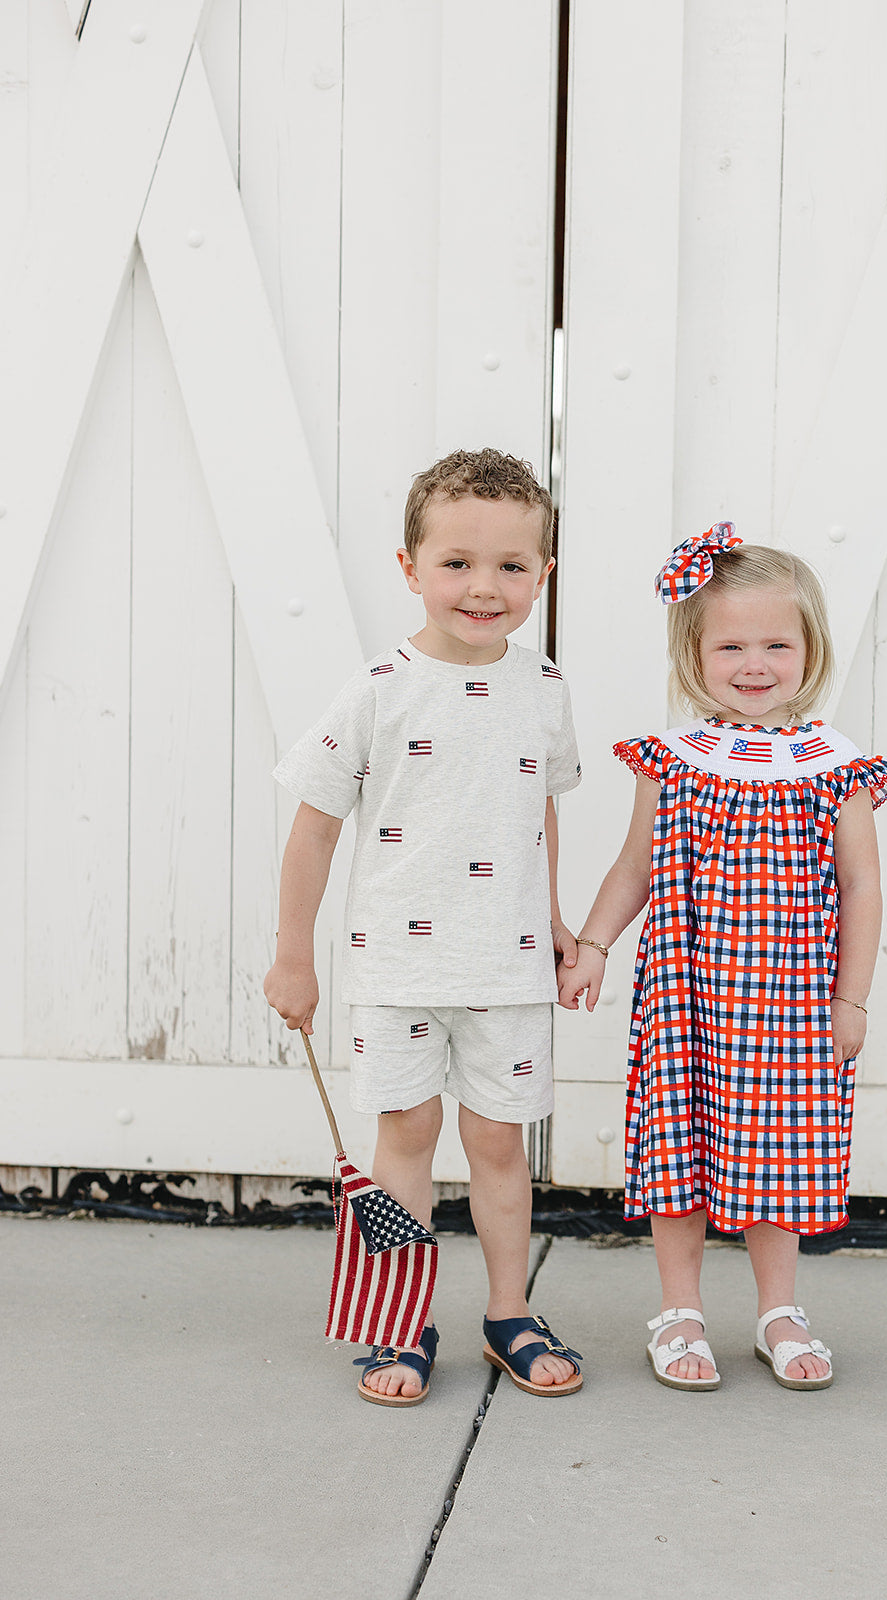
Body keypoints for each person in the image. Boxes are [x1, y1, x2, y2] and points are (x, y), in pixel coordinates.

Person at [265, 448, 584, 1406]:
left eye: (511, 567)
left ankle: (506, 1311)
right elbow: (313, 829)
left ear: (542, 574)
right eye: (456, 563)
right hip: (397, 969)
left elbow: (540, 808)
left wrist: (557, 920)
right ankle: (401, 1325)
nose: (483, 587)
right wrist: (292, 957)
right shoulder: (376, 689)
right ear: (409, 567)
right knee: (403, 1136)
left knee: (496, 1146)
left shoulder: (544, 687)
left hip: (510, 966)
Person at [559, 523, 887, 1392]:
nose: (754, 663)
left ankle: (777, 1308)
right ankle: (679, 1311)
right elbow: (633, 866)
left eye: (776, 644)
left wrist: (850, 1000)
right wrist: (594, 943)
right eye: (731, 645)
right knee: (677, 1150)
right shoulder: (671, 761)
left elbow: (860, 887)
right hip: (683, 993)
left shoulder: (833, 766)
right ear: (694, 653)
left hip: (790, 1004)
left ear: (808, 649)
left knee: (775, 1155)